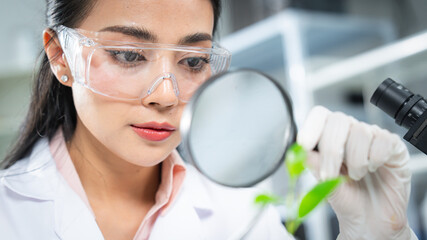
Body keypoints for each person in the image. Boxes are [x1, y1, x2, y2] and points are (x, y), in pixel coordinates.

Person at [0, 0, 418, 239]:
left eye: (194, 61)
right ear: (60, 56)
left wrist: (380, 235)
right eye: (128, 55)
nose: (167, 95)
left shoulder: (241, 215)